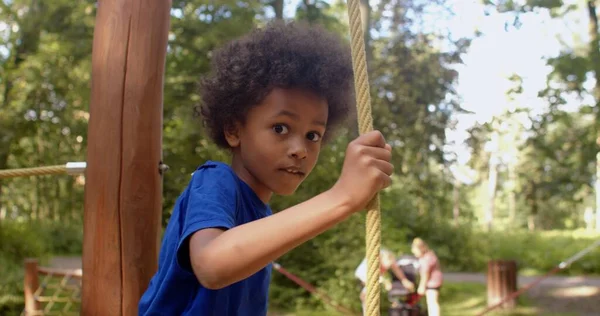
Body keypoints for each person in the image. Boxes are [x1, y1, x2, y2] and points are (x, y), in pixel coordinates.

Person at [138, 21, 395, 316]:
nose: (301, 149)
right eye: (280, 128)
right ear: (234, 129)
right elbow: (211, 264)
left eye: (313, 135)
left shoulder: (262, 218)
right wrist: (342, 197)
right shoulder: (214, 181)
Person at [355, 249, 414, 315]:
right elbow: (374, 274)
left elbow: (396, 269)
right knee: (366, 296)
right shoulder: (376, 258)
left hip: (372, 277)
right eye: (384, 267)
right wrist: (385, 282)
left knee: (366, 296)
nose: (385, 270)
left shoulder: (390, 258)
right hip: (364, 274)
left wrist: (404, 281)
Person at [411, 238, 442, 316]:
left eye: (415, 250)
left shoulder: (426, 258)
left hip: (432, 283)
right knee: (431, 302)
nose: (413, 252)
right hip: (435, 281)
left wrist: (421, 286)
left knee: (432, 302)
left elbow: (425, 274)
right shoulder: (429, 255)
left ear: (421, 249)